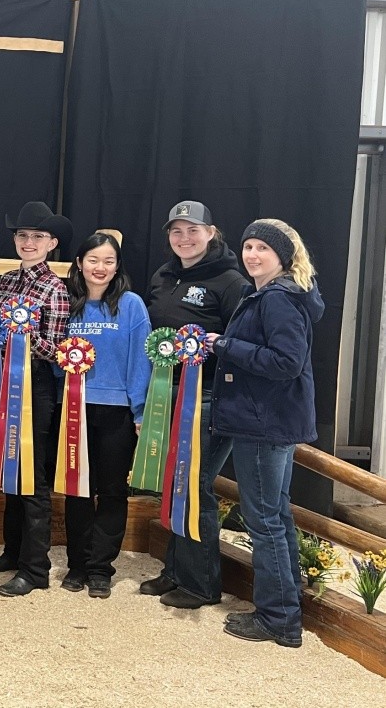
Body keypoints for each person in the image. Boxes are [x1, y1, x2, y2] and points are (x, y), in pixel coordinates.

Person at [205, 219, 321, 648]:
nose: (252, 255)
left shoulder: (278, 299)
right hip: (267, 420)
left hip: (263, 422)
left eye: (262, 249)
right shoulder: (275, 294)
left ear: (283, 257)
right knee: (276, 515)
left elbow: (285, 362)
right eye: (248, 246)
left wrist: (224, 345)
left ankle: (278, 619)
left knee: (265, 519)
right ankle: (287, 612)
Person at [138, 201, 248, 609]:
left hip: (206, 399)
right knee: (175, 484)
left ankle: (202, 584)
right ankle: (176, 570)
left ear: (212, 232)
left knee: (196, 486)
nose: (184, 238)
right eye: (176, 231)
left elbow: (239, 345)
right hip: (167, 395)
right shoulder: (163, 276)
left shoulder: (231, 281)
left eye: (192, 230)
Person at [0, 201, 70, 596]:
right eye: (22, 235)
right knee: (11, 466)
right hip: (5, 384)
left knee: (33, 475)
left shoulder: (56, 287)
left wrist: (23, 338)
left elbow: (60, 347)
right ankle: (12, 551)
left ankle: (36, 568)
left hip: (35, 388)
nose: (28, 242)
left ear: (51, 242)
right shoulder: (9, 281)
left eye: (36, 237)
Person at [59, 231, 151, 598]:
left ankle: (100, 569)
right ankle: (77, 565)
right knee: (76, 489)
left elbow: (140, 361)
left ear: (117, 267)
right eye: (93, 260)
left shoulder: (131, 305)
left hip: (116, 413)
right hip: (73, 409)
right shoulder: (67, 304)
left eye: (108, 261)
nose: (100, 267)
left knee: (111, 491)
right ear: (79, 263)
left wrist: (140, 410)